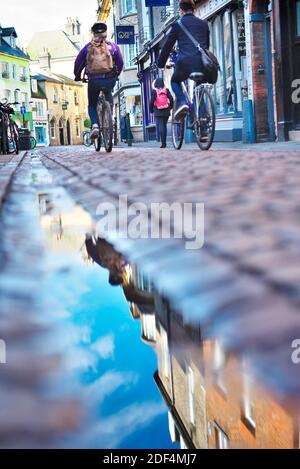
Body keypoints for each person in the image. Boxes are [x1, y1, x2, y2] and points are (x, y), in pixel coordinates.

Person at [157, 0, 210, 122]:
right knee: (199, 88)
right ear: (194, 9)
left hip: (185, 63)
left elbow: (167, 46)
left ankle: (182, 102)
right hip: (202, 63)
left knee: (174, 81)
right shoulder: (203, 24)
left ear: (181, 11)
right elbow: (206, 46)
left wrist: (160, 63)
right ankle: (203, 128)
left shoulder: (178, 25)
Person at [74, 22, 124, 140]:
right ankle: (109, 116)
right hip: (110, 79)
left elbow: (78, 63)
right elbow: (120, 62)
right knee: (108, 94)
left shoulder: (87, 48)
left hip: (94, 81)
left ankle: (95, 125)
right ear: (105, 34)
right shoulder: (113, 47)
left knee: (92, 104)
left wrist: (77, 75)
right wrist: (116, 74)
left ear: (94, 34)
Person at [150, 77, 174, 148]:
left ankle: (163, 143)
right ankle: (165, 142)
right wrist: (170, 107)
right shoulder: (166, 90)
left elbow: (151, 101)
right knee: (164, 126)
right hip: (166, 110)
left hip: (158, 110)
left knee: (161, 126)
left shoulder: (154, 91)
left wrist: (151, 110)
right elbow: (171, 98)